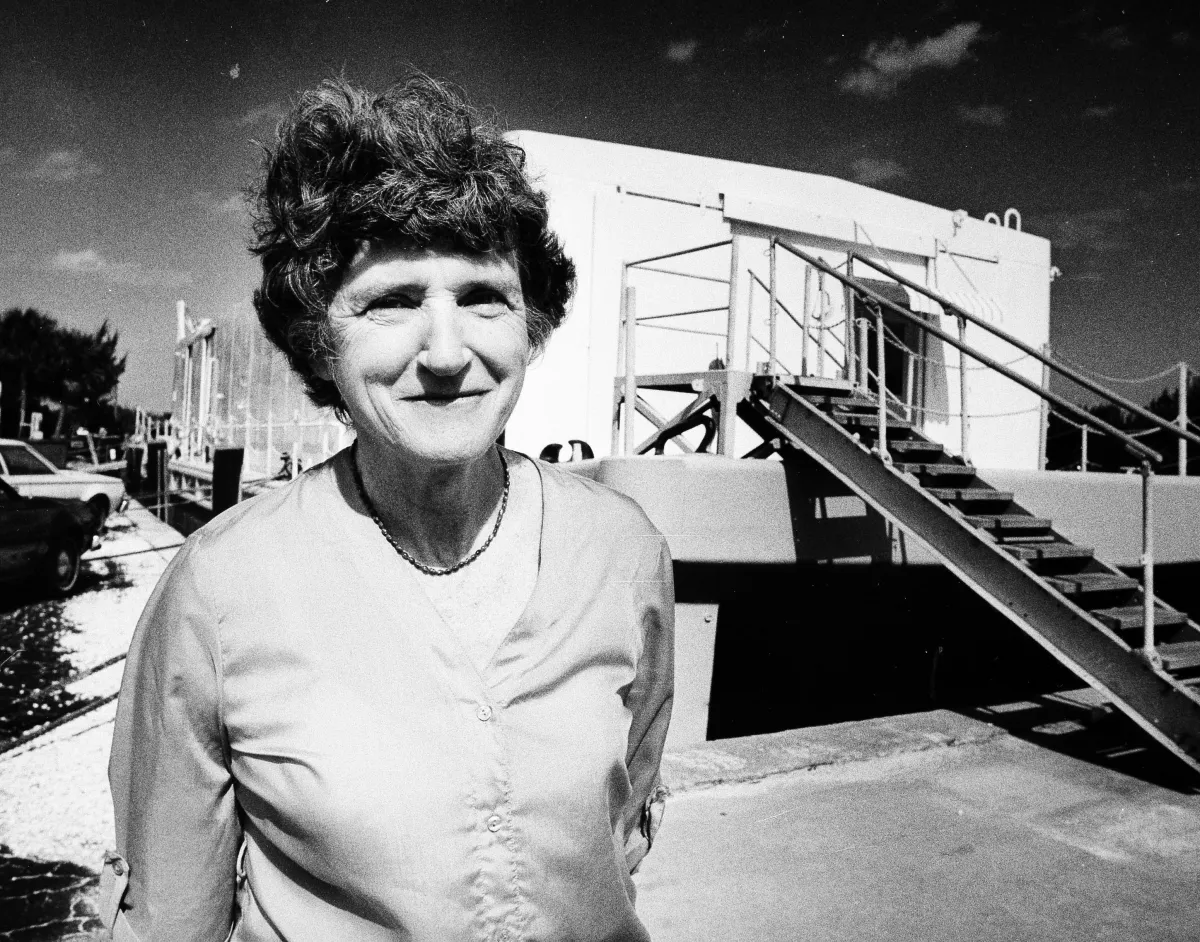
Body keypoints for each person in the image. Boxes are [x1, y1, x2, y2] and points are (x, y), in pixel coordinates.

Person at [103, 75, 674, 942]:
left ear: (533, 323)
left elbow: (620, 823)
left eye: (484, 297)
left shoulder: (621, 549)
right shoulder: (219, 590)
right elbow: (170, 917)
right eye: (393, 302)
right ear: (319, 339)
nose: (447, 353)